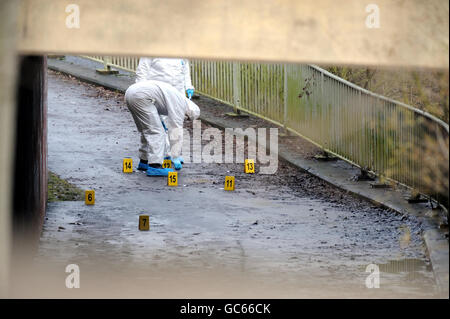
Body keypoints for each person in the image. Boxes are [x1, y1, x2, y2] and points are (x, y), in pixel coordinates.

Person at [125, 80, 200, 176]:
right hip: (141, 96)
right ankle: (154, 166)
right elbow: (176, 130)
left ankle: (144, 161)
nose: (185, 119)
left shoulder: (177, 97)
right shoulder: (181, 105)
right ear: (188, 111)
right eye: (187, 117)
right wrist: (175, 155)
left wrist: (161, 122)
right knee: (156, 132)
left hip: (131, 93)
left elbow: (157, 106)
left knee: (147, 130)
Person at [135, 58, 195, 165]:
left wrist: (188, 86)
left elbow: (185, 69)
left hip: (177, 92)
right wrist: (140, 90)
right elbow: (142, 72)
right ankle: (147, 157)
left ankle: (173, 153)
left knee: (175, 123)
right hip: (156, 92)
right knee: (154, 126)